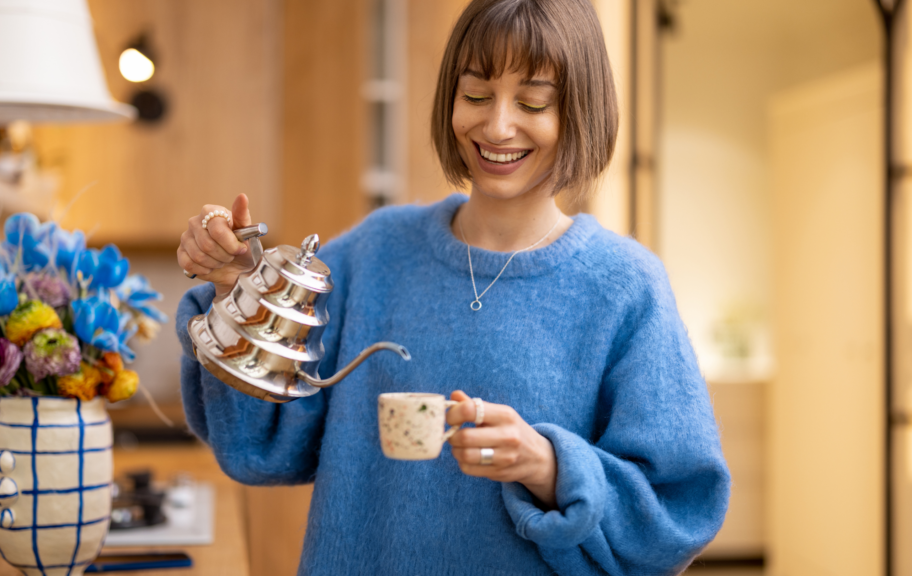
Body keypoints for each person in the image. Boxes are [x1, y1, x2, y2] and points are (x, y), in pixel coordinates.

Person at [175, 0, 730, 573]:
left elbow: (678, 511)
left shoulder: (624, 287)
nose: (497, 126)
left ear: (579, 112)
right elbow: (262, 445)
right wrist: (234, 293)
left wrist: (549, 464)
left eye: (533, 102)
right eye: (476, 95)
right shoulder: (376, 252)